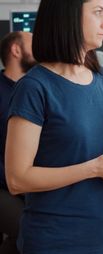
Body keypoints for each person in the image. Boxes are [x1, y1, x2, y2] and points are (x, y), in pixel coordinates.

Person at [5, 0, 103, 254]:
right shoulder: (35, 87)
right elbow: (17, 179)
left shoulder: (102, 80)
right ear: (69, 16)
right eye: (98, 12)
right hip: (55, 242)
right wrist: (94, 168)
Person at [0, 31, 36, 254]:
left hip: (28, 183)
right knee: (28, 228)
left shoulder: (33, 89)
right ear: (16, 50)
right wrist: (19, 182)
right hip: (5, 183)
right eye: (34, 43)